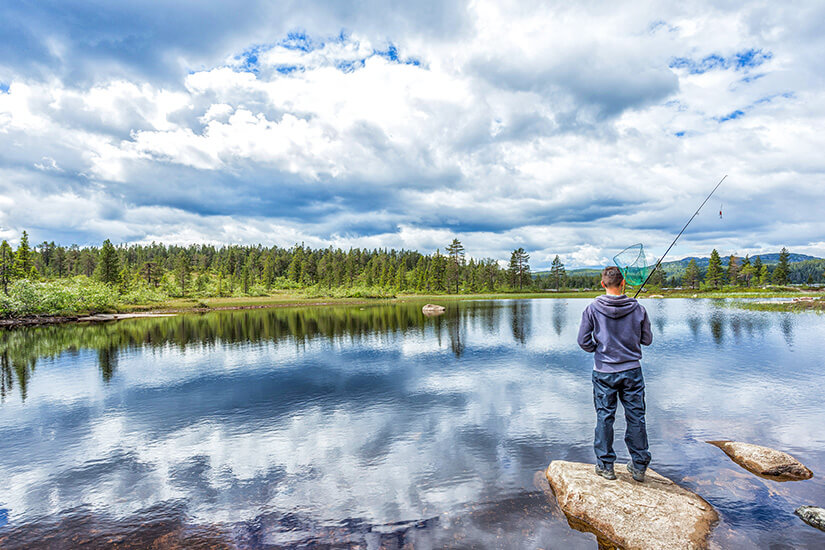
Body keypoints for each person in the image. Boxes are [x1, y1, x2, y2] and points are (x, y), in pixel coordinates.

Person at [577, 266, 653, 482]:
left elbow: (583, 341)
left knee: (604, 416)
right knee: (636, 416)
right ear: (623, 284)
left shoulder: (592, 308)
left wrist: (599, 350)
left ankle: (605, 466)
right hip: (632, 371)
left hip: (604, 372)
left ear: (603, 284)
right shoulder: (638, 309)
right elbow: (647, 340)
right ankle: (639, 466)